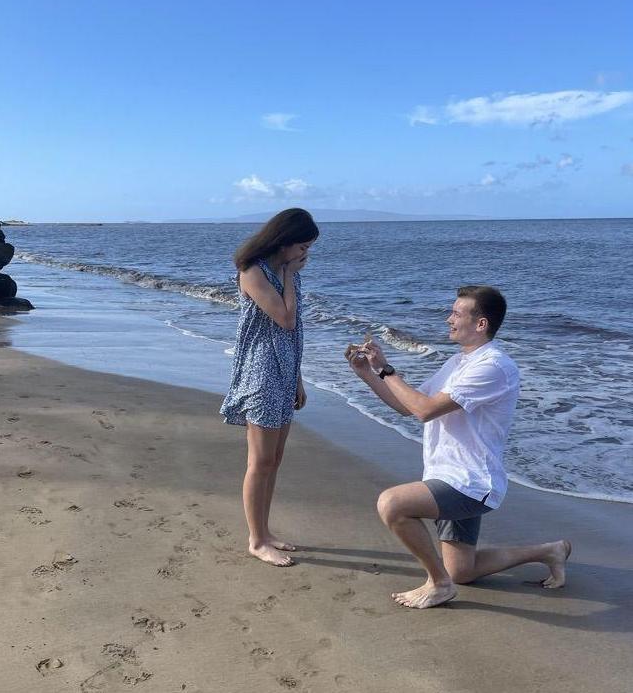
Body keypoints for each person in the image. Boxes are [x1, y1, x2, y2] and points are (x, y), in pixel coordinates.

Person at [346, 285, 571, 608]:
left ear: (481, 324)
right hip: (446, 473)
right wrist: (368, 373)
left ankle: (438, 584)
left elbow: (425, 410)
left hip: (471, 482)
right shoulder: (458, 361)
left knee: (392, 504)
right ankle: (550, 550)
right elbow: (407, 406)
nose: (448, 319)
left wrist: (387, 369)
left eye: (456, 313)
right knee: (462, 570)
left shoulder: (493, 366)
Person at [220, 208, 319, 567]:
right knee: (260, 461)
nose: (306, 254)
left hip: (284, 370)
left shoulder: (281, 270)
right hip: (261, 372)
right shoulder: (253, 271)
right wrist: (290, 276)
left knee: (274, 461)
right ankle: (257, 540)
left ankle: (265, 531)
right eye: (303, 246)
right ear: (285, 241)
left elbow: (293, 335)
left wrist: (297, 377)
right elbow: (285, 318)